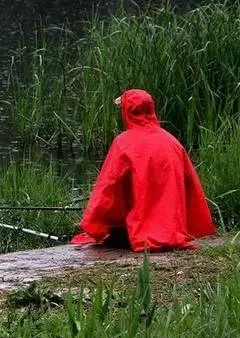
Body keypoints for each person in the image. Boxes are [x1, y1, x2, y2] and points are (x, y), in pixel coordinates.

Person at [72, 89, 216, 252]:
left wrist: (93, 224)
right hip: (175, 229)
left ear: (128, 112)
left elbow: (107, 189)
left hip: (137, 232)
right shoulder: (172, 142)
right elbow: (192, 188)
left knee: (114, 229)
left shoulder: (123, 143)